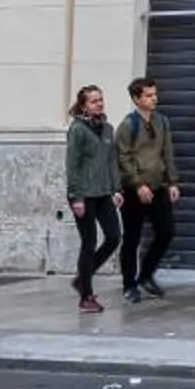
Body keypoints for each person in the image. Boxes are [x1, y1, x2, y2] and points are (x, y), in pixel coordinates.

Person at [116, 75, 181, 302]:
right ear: (136, 99)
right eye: (148, 96)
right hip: (134, 191)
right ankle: (129, 285)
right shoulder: (128, 125)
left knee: (166, 231)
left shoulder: (162, 122)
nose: (154, 99)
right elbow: (124, 158)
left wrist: (172, 182)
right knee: (132, 238)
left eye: (155, 94)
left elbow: (167, 152)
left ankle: (145, 275)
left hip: (158, 186)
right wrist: (137, 185)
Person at [65, 85, 122, 314]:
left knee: (114, 237)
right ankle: (86, 297)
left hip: (103, 193)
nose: (99, 103)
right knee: (88, 242)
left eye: (100, 99)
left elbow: (111, 162)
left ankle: (82, 278)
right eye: (93, 101)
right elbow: (73, 165)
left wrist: (116, 189)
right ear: (83, 106)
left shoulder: (108, 129)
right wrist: (76, 197)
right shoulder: (77, 129)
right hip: (83, 195)